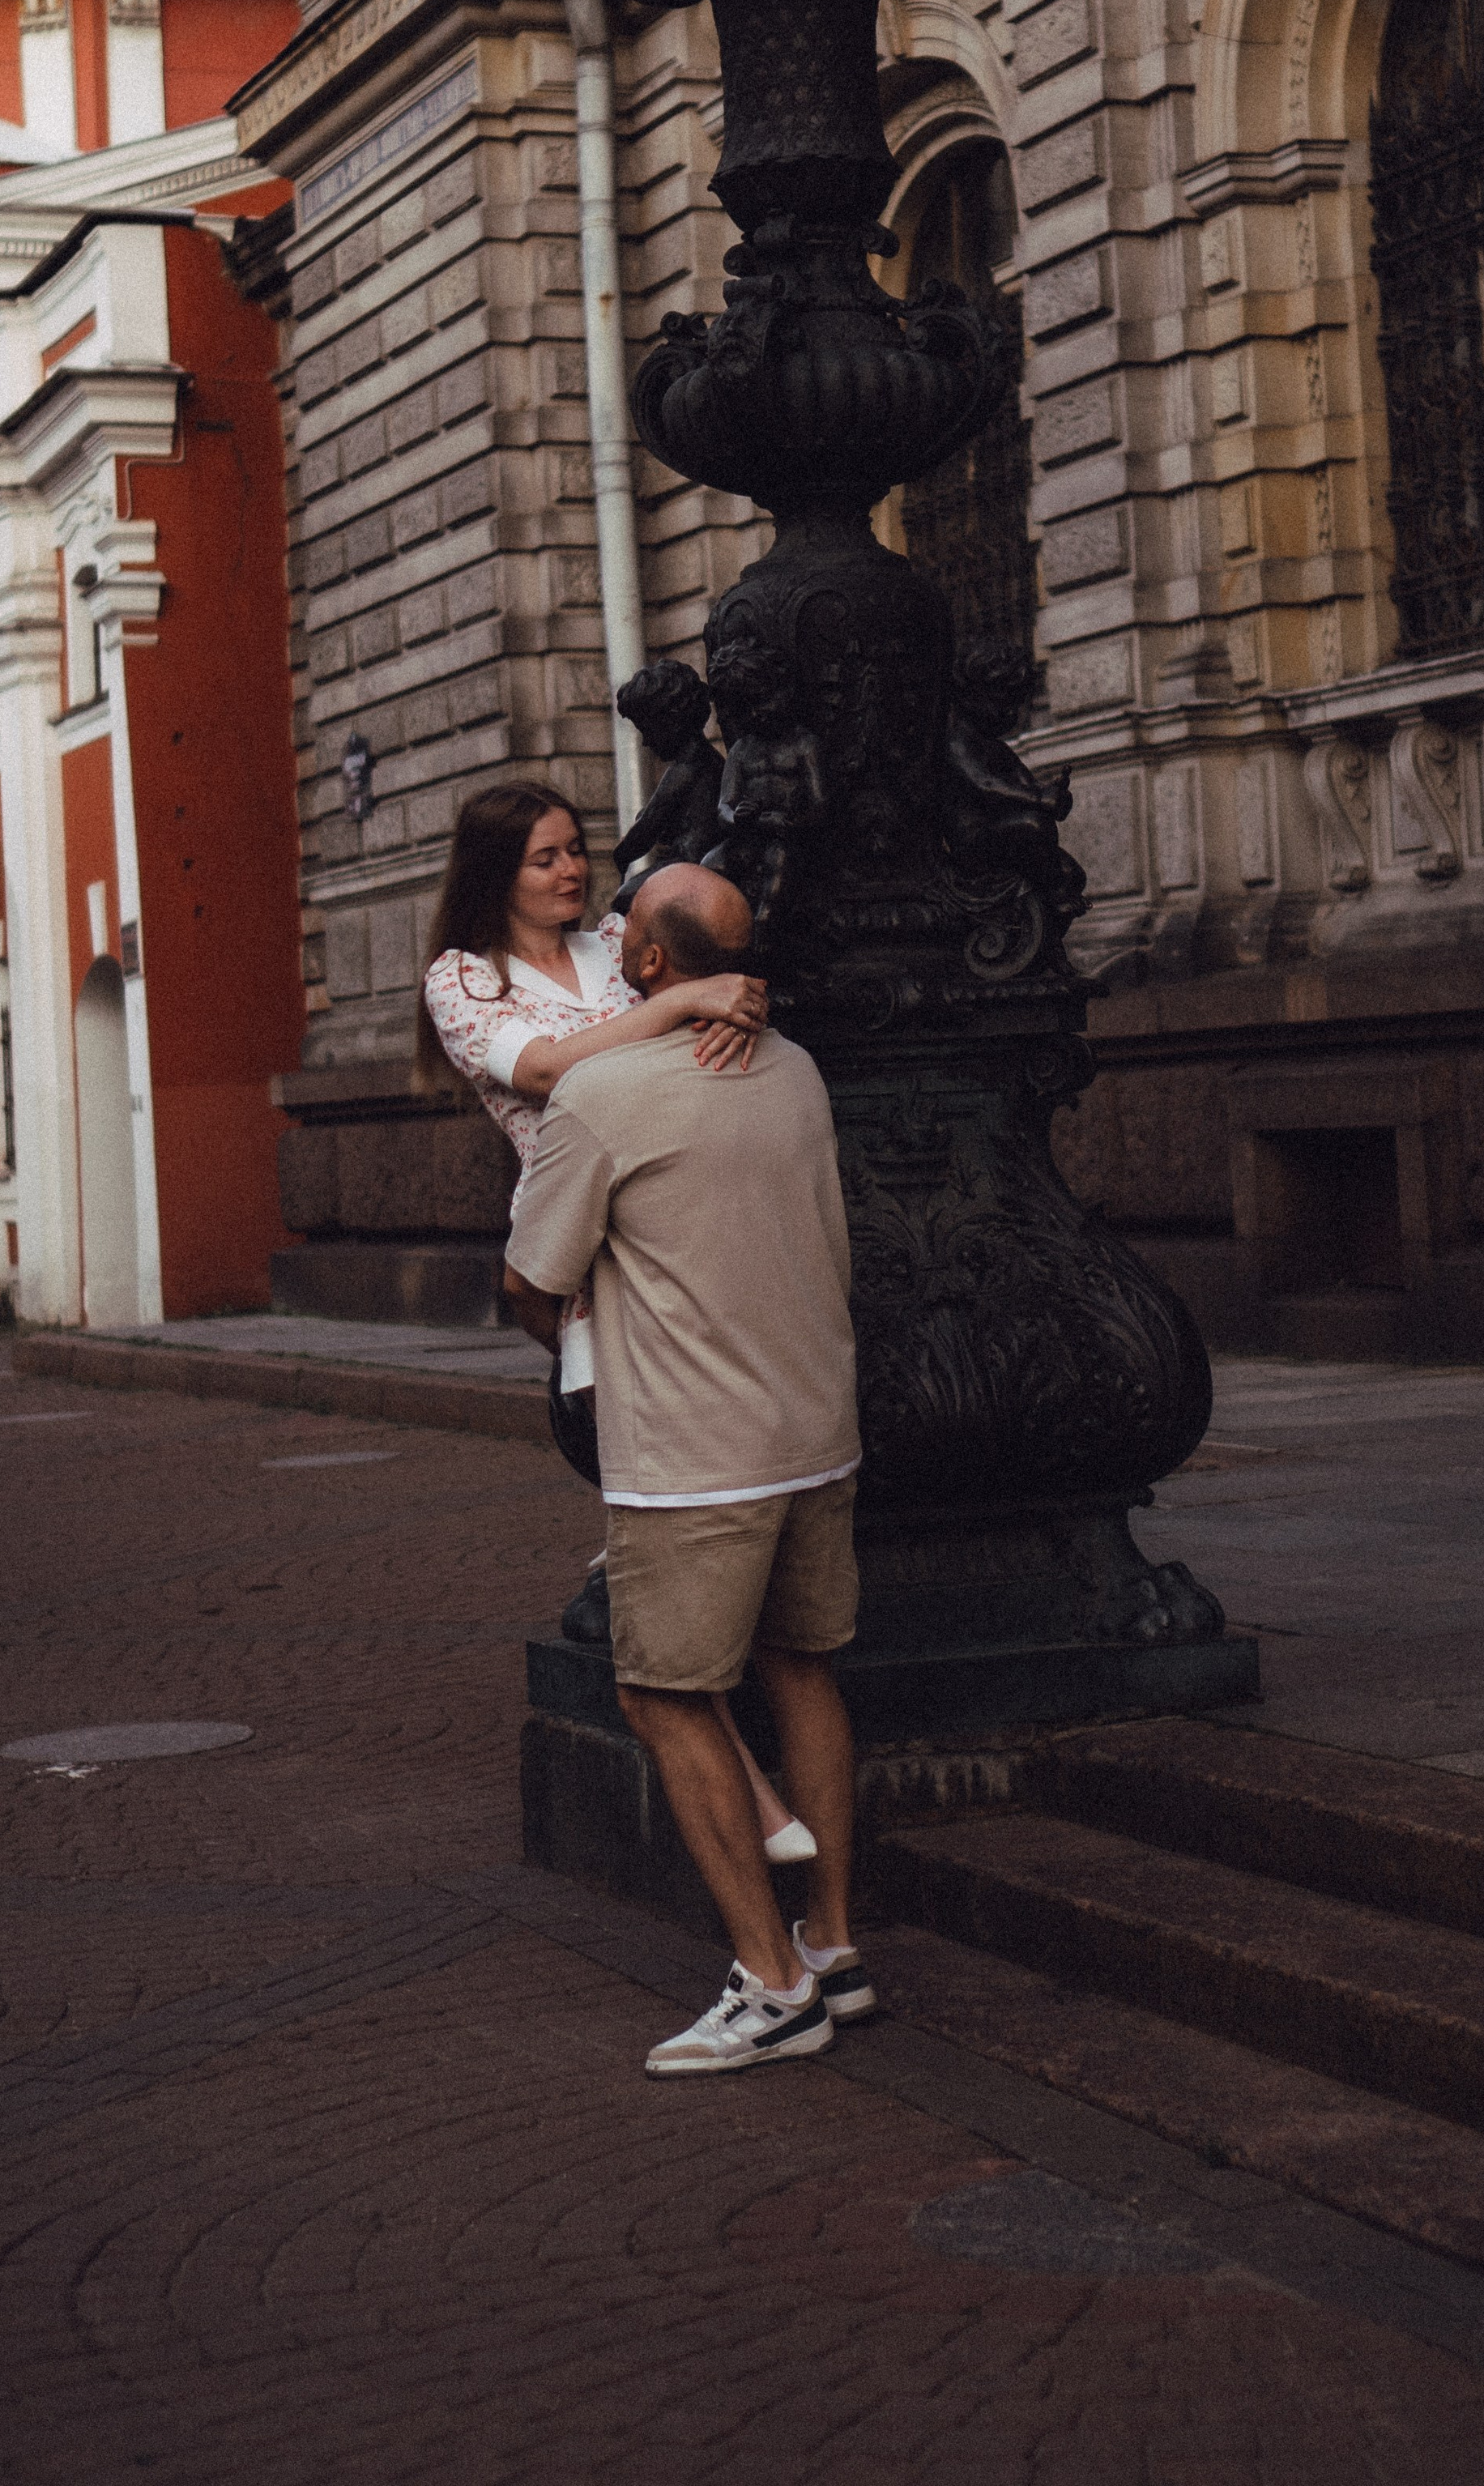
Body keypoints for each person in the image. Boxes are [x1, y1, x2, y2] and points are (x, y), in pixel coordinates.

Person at [502, 862, 876, 2077]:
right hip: (816, 1429)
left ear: (652, 967)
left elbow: (531, 1282)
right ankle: (830, 1945)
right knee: (803, 1666)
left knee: (663, 1696)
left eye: (625, 928)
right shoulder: (801, 1069)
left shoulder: (605, 1095)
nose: (607, 932)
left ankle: (770, 1987)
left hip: (692, 1459)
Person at [417, 781, 813, 1863]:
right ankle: (757, 1798)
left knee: (678, 1538)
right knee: (645, 1527)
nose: (572, 871)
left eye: (577, 851)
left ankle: (762, 1796)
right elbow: (542, 1070)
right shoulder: (465, 980)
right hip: (584, 1248)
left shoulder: (612, 945)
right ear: (497, 870)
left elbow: (699, 1029)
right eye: (546, 856)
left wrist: (725, 1007)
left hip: (689, 1223)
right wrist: (684, 1006)